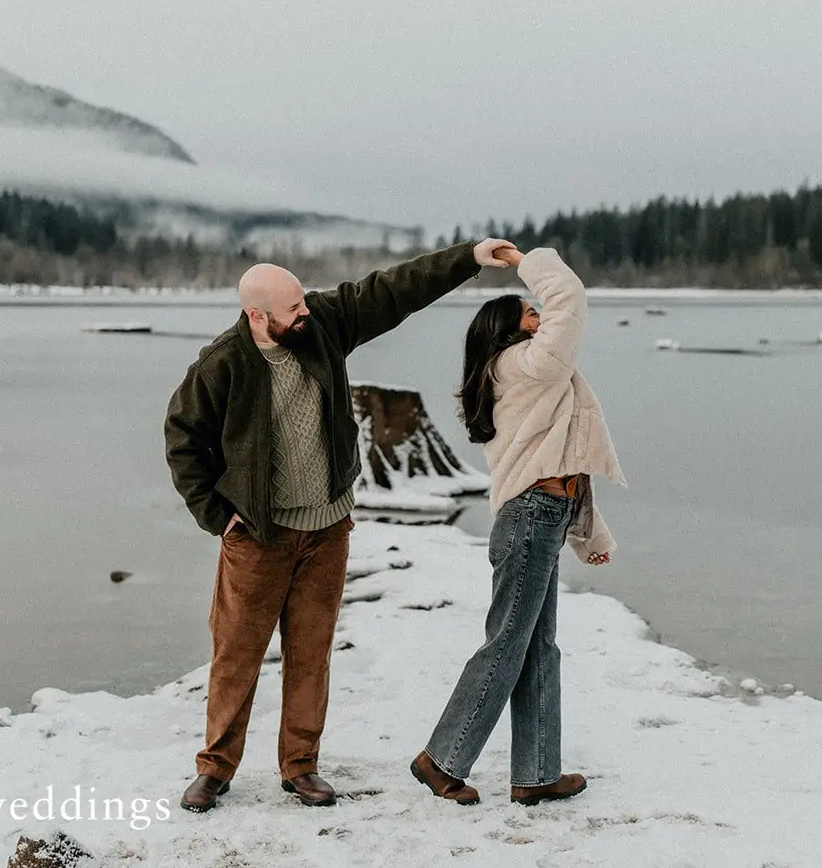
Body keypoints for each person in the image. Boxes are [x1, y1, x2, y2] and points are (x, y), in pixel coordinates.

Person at [165, 238, 515, 812]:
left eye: (304, 302)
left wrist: (469, 257)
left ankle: (300, 767)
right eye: (291, 310)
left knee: (312, 653)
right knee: (237, 655)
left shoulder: (322, 324)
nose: (305, 313)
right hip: (259, 536)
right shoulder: (222, 363)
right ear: (258, 316)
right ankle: (215, 769)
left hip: (327, 530)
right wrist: (215, 513)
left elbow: (393, 290)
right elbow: (182, 436)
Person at [411, 244, 625, 806]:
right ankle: (441, 759)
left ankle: (534, 774)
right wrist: (528, 260)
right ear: (507, 331)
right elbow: (570, 297)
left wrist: (589, 534)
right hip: (531, 518)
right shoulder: (522, 364)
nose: (542, 317)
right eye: (531, 313)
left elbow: (564, 458)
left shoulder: (533, 373)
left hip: (543, 516)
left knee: (537, 647)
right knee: (508, 643)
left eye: (537, 311)